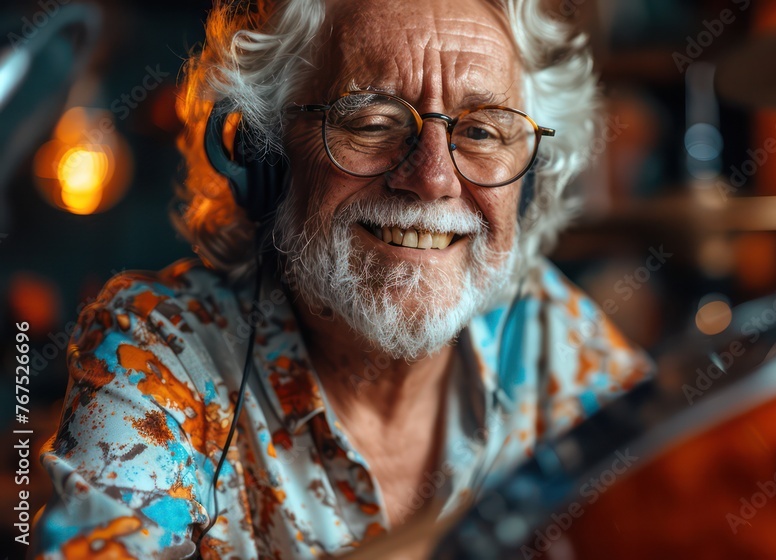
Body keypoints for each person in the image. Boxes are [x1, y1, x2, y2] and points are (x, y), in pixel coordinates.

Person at [31, 0, 653, 557]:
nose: (433, 177)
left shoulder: (544, 326)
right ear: (265, 154)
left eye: (483, 131)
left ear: (532, 179)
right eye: (373, 121)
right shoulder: (158, 348)